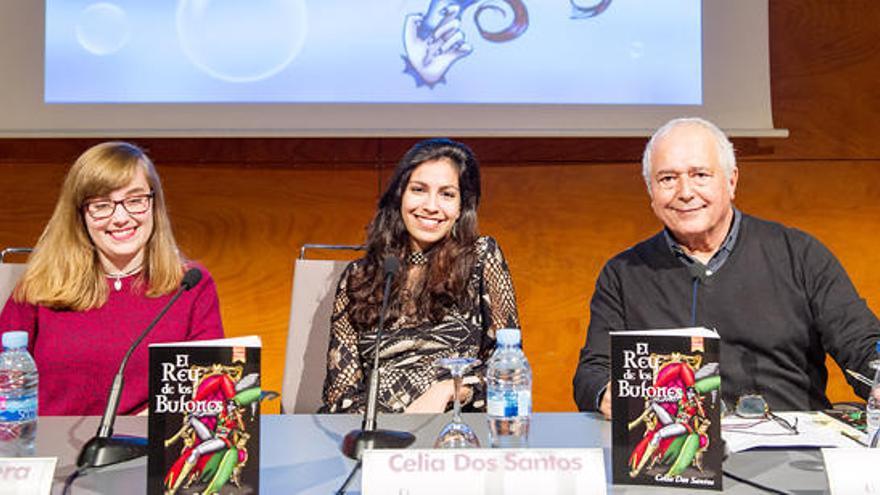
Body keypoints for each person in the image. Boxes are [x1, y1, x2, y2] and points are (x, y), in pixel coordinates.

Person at [573, 117, 880, 417]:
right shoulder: (623, 273)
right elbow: (592, 373)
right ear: (651, 192)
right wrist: (608, 392)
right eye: (667, 179)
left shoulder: (799, 254)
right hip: (676, 454)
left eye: (700, 175)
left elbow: (861, 343)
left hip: (791, 447)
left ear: (731, 181)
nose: (685, 192)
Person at [0, 142, 224, 416]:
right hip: (51, 447)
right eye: (101, 205)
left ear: (154, 204)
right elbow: (5, 380)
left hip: (148, 445)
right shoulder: (42, 283)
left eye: (135, 200)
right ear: (80, 214)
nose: (120, 217)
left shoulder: (190, 285)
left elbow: (207, 387)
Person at [319, 138, 519, 414]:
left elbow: (508, 368)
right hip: (377, 436)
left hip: (454, 431)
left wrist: (449, 389)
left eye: (447, 194)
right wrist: (391, 426)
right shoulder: (359, 276)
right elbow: (339, 396)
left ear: (462, 206)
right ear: (400, 195)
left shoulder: (481, 257)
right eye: (419, 190)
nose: (431, 206)